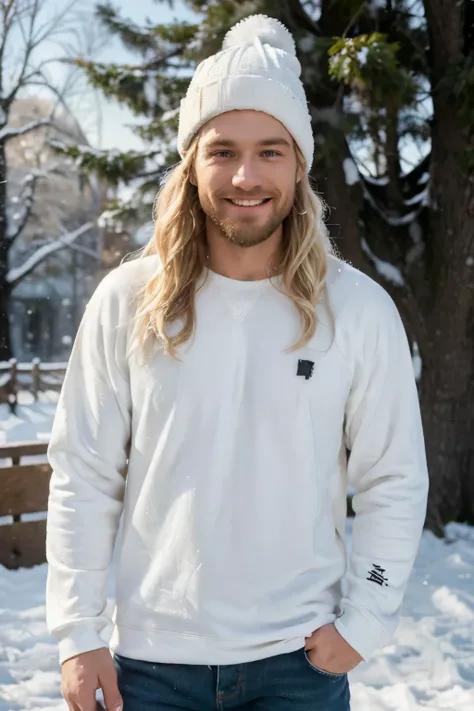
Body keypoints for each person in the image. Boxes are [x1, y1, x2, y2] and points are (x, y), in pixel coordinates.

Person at [46, 14, 429, 711]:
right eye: (222, 150)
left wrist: (367, 616)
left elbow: (393, 478)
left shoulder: (359, 310)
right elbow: (83, 473)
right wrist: (77, 631)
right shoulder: (127, 301)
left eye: (271, 151)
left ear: (299, 164)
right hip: (149, 672)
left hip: (297, 670)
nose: (246, 176)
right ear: (192, 162)